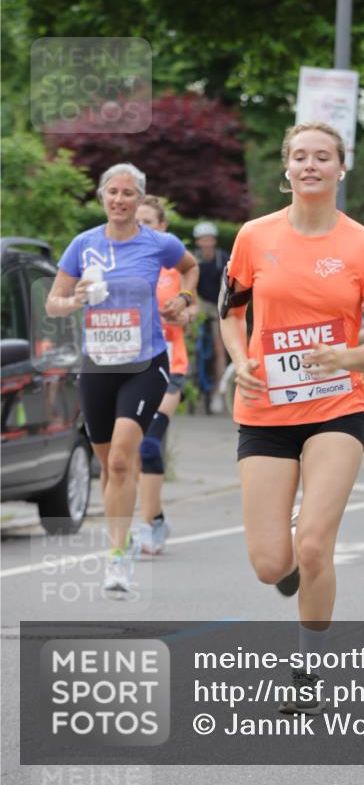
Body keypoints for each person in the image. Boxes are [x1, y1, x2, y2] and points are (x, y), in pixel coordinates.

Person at [219, 121, 364, 702]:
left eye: (323, 156)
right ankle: (292, 552)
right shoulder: (253, 236)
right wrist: (241, 359)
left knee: (315, 545)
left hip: (336, 406)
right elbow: (229, 314)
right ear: (287, 168)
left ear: (342, 168)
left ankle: (309, 672)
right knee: (271, 565)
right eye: (300, 156)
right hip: (265, 409)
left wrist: (343, 356)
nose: (311, 165)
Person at [46, 164, 199, 597]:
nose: (119, 199)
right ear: (102, 197)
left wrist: (184, 298)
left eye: (128, 193)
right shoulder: (84, 245)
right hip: (98, 366)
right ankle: (124, 535)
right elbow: (54, 303)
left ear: (139, 198)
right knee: (110, 465)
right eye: (112, 192)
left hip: (145, 365)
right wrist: (74, 299)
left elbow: (190, 269)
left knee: (119, 461)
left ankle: (117, 557)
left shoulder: (159, 243)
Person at [136, 195, 199, 555]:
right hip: (130, 367)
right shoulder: (124, 264)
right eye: (137, 221)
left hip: (170, 364)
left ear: (162, 227)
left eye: (148, 221)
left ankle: (147, 526)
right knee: (128, 448)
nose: (141, 227)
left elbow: (191, 311)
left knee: (149, 441)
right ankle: (156, 517)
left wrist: (184, 313)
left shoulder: (175, 270)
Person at [194, 221, 230, 412]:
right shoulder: (194, 259)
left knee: (219, 347)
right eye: (203, 239)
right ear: (198, 241)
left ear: (214, 241)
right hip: (200, 304)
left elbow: (229, 284)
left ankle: (218, 391)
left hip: (218, 304)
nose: (206, 243)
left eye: (209, 239)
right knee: (192, 342)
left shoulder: (222, 259)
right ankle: (191, 385)